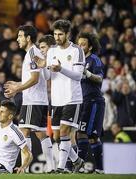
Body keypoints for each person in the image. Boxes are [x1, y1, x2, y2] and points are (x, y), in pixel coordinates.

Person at [4, 25, 54, 173]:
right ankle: (51, 168)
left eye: (20, 36)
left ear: (28, 38)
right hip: (38, 100)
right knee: (41, 134)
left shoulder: (33, 53)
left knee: (23, 132)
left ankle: (24, 169)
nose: (17, 39)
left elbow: (34, 79)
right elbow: (34, 79)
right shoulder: (32, 53)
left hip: (33, 101)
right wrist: (18, 84)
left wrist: (16, 89)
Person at [43, 19, 85, 173]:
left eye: (60, 34)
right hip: (56, 99)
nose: (57, 37)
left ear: (68, 34)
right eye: (55, 34)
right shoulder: (52, 51)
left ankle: (60, 168)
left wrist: (60, 69)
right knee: (56, 136)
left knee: (65, 132)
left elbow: (78, 76)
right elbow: (48, 75)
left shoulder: (76, 51)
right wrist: (43, 67)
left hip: (72, 98)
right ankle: (76, 160)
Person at [76, 32, 105, 174]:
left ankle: (100, 169)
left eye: (83, 44)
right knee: (80, 133)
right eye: (79, 44)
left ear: (90, 47)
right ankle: (78, 166)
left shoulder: (95, 60)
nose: (80, 47)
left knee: (93, 136)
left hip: (94, 101)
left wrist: (87, 73)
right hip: (82, 102)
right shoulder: (76, 60)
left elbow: (100, 79)